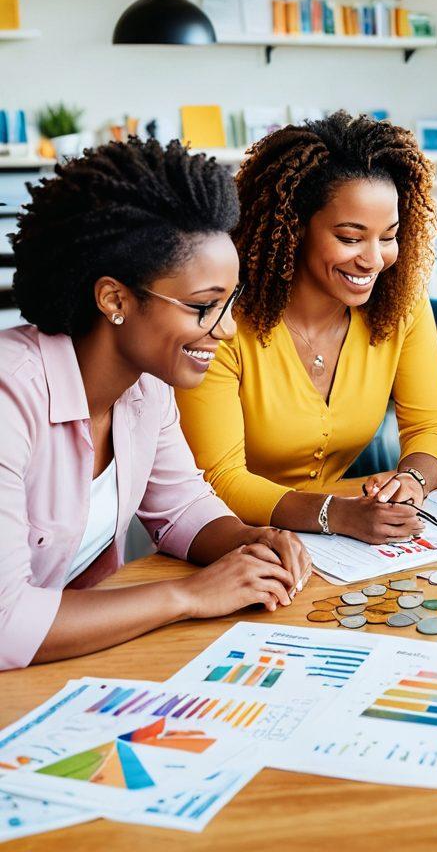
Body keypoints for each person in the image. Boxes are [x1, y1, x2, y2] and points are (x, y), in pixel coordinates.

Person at [1, 138, 312, 670]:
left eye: (229, 302)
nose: (229, 329)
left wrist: (249, 541)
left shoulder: (146, 387)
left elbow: (182, 508)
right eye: (202, 307)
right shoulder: (10, 397)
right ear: (115, 299)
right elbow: (6, 624)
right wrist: (190, 596)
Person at [176, 112, 437, 545]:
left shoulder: (401, 308)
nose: (373, 259)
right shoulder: (222, 324)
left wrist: (413, 480)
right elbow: (219, 477)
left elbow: (433, 427)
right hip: (227, 539)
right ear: (293, 229)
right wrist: (335, 514)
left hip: (339, 542)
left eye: (388, 236)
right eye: (350, 238)